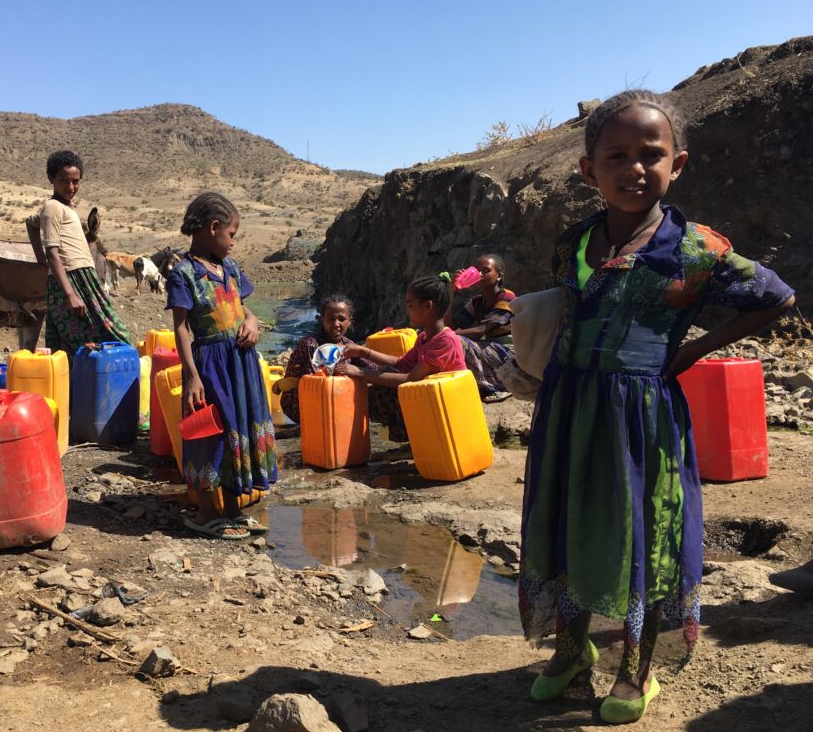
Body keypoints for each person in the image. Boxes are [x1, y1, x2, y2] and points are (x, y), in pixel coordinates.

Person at [518, 90, 794, 724]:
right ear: (589, 170)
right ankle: (571, 651)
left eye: (652, 154)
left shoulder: (696, 248)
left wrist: (693, 350)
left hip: (641, 418)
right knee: (566, 520)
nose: (634, 168)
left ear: (679, 163)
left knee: (642, 536)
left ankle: (636, 672)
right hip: (568, 407)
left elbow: (776, 297)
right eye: (616, 155)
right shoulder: (574, 241)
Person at [166, 192, 277, 540]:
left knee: (239, 427)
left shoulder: (229, 268)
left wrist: (254, 321)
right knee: (213, 432)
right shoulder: (184, 273)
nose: (233, 243)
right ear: (213, 228)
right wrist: (193, 377)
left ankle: (231, 510)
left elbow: (244, 309)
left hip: (241, 364)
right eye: (231, 234)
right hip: (211, 368)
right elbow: (181, 328)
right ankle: (205, 513)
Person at [25, 150, 131, 354]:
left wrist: (41, 261)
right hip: (73, 280)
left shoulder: (63, 208)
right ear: (51, 179)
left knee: (75, 346)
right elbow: (53, 253)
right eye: (64, 181)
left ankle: (78, 384)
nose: (71, 187)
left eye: (75, 181)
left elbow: (31, 223)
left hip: (82, 278)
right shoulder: (53, 207)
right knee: (117, 334)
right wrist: (69, 293)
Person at [337, 274, 466, 441]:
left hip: (445, 409)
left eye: (411, 306)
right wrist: (363, 352)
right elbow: (402, 363)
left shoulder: (445, 341)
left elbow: (409, 378)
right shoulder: (425, 338)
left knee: (388, 387)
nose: (407, 311)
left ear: (428, 306)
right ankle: (413, 440)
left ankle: (413, 438)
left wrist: (361, 372)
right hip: (431, 403)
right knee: (385, 372)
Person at [279, 294, 378, 423]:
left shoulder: (348, 345)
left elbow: (372, 368)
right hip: (300, 402)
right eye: (331, 319)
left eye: (341, 319)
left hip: (333, 396)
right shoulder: (311, 345)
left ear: (350, 321)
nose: (336, 324)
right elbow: (318, 384)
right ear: (322, 320)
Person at [446, 253, 516, 402]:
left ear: (499, 276)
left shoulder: (507, 298)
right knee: (447, 339)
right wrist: (452, 292)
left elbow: (482, 330)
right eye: (478, 271)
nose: (480, 274)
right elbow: (449, 325)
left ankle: (498, 387)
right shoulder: (477, 302)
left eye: (486, 270)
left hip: (510, 355)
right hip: (492, 350)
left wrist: (451, 334)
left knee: (456, 341)